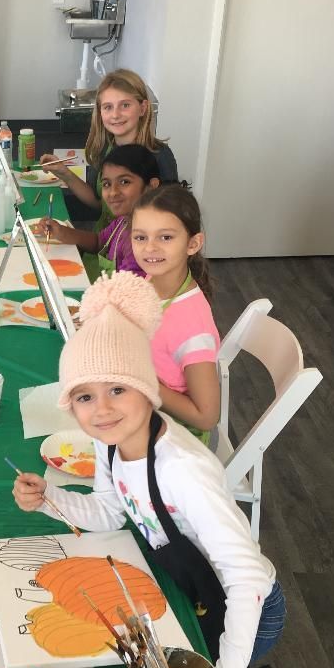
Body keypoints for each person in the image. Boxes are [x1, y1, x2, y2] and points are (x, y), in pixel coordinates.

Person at [11, 271, 334, 668]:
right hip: (186, 599)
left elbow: (246, 577)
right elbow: (111, 511)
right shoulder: (112, 446)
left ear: (146, 389)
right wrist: (51, 499)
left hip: (241, 609)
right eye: (84, 397)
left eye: (116, 390)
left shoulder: (183, 469)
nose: (101, 408)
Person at [131, 184, 220, 439]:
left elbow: (206, 416)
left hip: (171, 439)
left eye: (165, 237)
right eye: (140, 237)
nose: (150, 248)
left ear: (193, 244)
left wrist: (144, 381)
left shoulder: (192, 326)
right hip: (142, 407)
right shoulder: (153, 279)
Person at [40, 68, 178, 228]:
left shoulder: (160, 155)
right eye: (108, 107)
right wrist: (64, 173)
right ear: (100, 112)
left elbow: (171, 218)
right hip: (103, 243)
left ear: (143, 108)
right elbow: (99, 203)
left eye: (125, 105)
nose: (115, 115)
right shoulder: (104, 148)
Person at [35, 144, 160, 279]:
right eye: (107, 184)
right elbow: (99, 242)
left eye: (124, 182)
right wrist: (61, 232)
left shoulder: (141, 244)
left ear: (151, 186)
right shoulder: (123, 221)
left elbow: (126, 293)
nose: (113, 192)